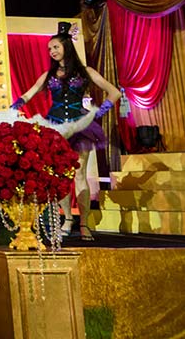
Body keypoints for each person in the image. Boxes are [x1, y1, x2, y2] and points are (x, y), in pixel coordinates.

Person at [11, 22, 121, 241]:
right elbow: (28, 94)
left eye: (55, 47)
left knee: (79, 174)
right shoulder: (48, 75)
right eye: (49, 49)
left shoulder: (85, 71)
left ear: (66, 47)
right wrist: (12, 108)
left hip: (80, 127)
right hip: (56, 129)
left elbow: (114, 92)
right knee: (60, 176)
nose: (52, 51)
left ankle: (84, 223)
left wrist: (98, 113)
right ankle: (68, 219)